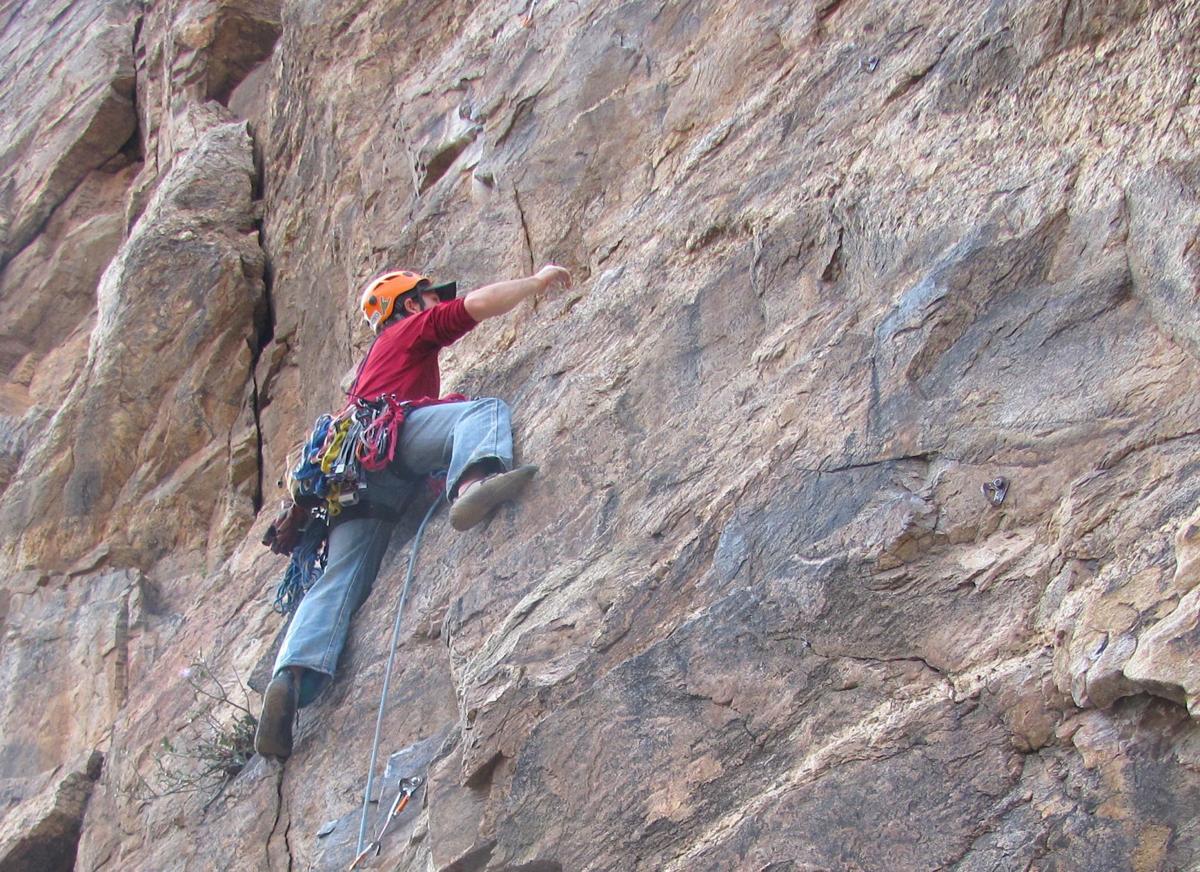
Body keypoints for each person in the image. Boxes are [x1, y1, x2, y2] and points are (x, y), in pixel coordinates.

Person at [254, 263, 573, 759]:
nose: (433, 304)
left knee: (339, 577)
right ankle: (474, 481)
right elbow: (474, 306)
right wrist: (535, 283)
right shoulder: (407, 329)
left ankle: (292, 675)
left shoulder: (367, 372)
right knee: (481, 411)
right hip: (390, 441)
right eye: (426, 297)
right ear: (406, 305)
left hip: (354, 482)